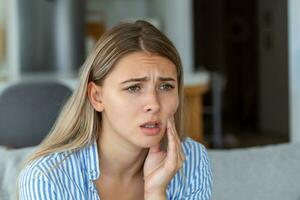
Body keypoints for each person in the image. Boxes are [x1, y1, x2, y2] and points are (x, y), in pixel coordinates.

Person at [18, 20, 212, 200]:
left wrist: (156, 192)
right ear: (96, 97)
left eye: (166, 87)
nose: (154, 104)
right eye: (133, 88)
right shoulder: (46, 177)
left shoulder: (191, 160)